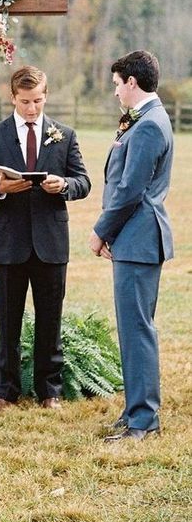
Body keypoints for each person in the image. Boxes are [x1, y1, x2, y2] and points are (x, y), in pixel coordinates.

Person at [0, 66, 91, 411]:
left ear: (46, 96)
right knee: (8, 321)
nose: (32, 108)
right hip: (8, 243)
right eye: (24, 102)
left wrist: (64, 185)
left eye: (37, 100)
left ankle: (50, 391)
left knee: (50, 319)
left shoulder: (64, 135)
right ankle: (5, 392)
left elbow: (83, 181)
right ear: (12, 98)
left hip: (51, 243)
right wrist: (0, 189)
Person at [89, 50, 173, 441]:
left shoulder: (149, 126)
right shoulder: (145, 121)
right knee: (132, 328)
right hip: (133, 240)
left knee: (137, 329)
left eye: (117, 85)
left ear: (132, 83)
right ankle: (134, 410)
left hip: (138, 240)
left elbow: (129, 191)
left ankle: (143, 420)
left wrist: (100, 230)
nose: (115, 93)